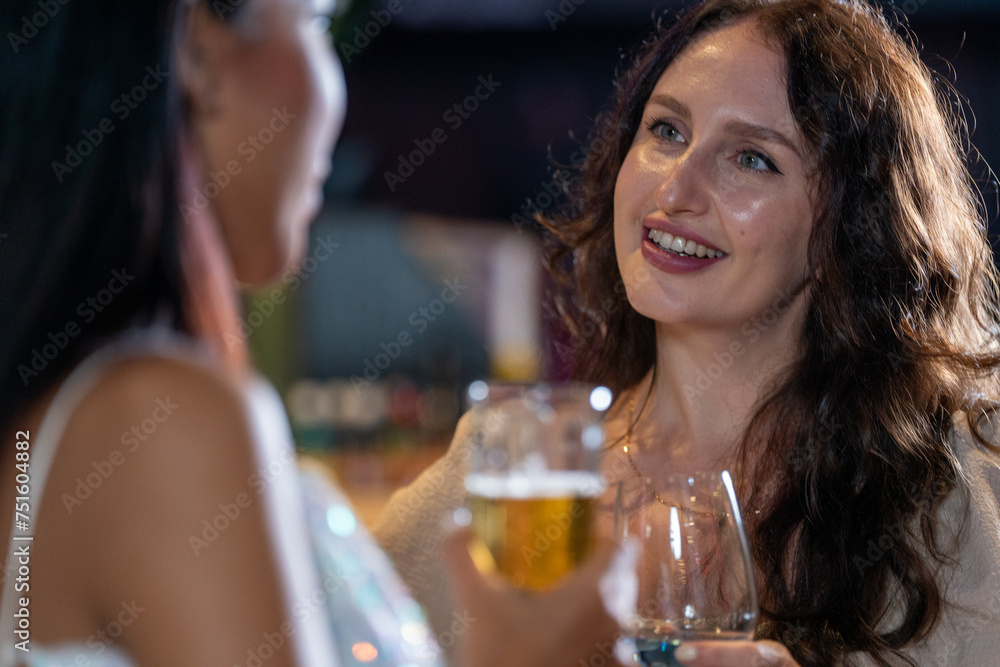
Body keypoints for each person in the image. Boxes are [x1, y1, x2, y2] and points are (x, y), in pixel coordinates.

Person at [0, 1, 632, 665]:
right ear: (199, 53)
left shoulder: (77, 405)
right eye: (314, 22)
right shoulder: (164, 418)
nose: (342, 93)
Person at [374, 0, 1000, 665]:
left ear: (849, 232)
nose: (676, 189)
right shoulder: (513, 476)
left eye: (752, 159)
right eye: (667, 130)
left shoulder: (959, 494)